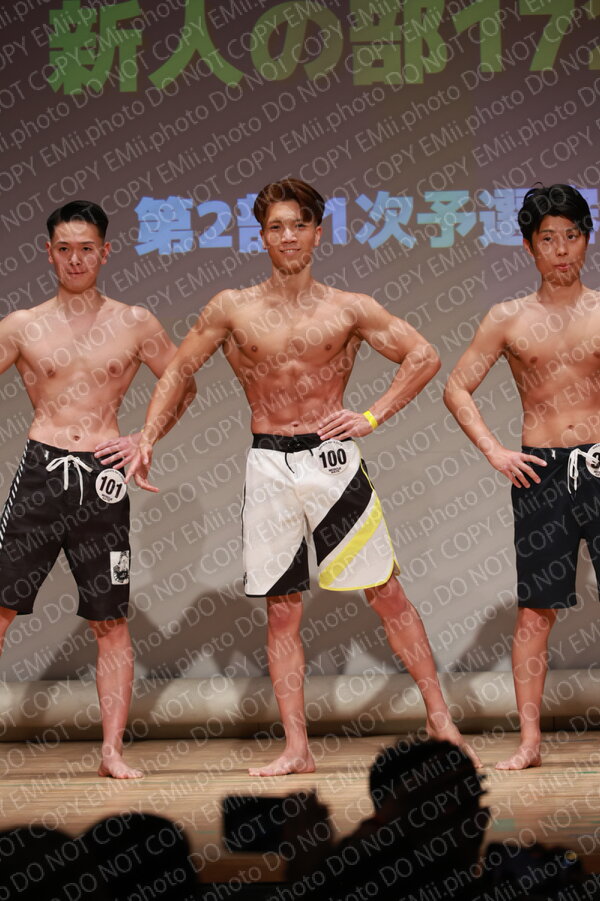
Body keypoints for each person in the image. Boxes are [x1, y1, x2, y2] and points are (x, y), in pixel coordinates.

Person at [128, 177, 478, 775]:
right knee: (282, 609)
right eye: (276, 227)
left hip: (332, 460)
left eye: (298, 225)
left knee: (386, 593)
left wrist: (371, 415)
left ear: (318, 232)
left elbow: (423, 355)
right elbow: (180, 370)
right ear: (261, 237)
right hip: (268, 462)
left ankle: (441, 721)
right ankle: (297, 748)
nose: (288, 236)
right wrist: (146, 437)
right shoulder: (231, 307)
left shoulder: (349, 307)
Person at [0, 200, 195, 778]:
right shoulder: (21, 325)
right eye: (65, 249)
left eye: (87, 248)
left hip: (103, 478)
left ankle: (111, 752)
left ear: (106, 252)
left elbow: (183, 384)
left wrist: (144, 438)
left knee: (109, 620)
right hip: (42, 471)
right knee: (1, 607)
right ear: (49, 253)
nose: (76, 259)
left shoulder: (135, 322)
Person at [444, 184, 599, 770]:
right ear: (530, 247)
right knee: (536, 610)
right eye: (548, 239)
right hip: (542, 474)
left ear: (586, 241)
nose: (561, 250)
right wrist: (495, 451)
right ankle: (530, 742)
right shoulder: (507, 317)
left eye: (571, 236)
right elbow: (456, 387)